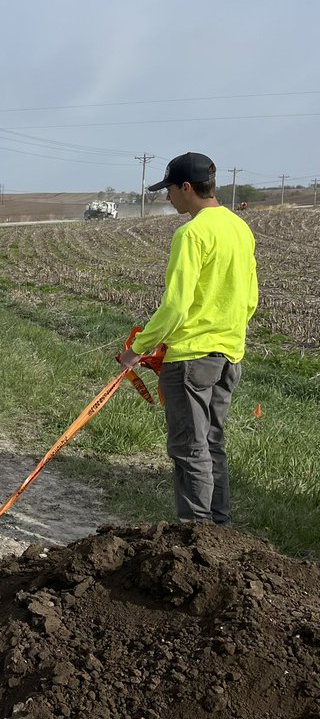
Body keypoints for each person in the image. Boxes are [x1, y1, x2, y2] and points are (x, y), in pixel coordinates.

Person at [119, 152, 258, 526]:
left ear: (186, 187)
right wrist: (228, 336)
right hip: (229, 357)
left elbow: (176, 305)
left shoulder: (192, 233)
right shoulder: (239, 228)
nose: (168, 198)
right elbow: (250, 299)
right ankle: (219, 528)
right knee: (212, 443)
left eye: (169, 190)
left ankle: (195, 532)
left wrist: (138, 349)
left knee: (187, 448)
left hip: (191, 361)